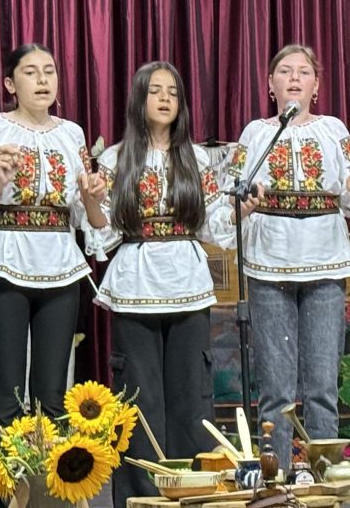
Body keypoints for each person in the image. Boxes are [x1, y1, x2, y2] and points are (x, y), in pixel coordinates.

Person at [95, 61, 239, 505]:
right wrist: (89, 200)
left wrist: (244, 211)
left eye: (173, 92)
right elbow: (101, 230)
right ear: (138, 99)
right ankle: (141, 498)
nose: (164, 99)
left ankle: (192, 493)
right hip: (135, 285)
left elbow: (215, 225)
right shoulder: (116, 158)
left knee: (190, 398)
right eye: (155, 91)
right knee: (138, 401)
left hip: (186, 283)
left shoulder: (196, 158)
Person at [228, 43, 350, 465]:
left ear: (316, 85)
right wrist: (242, 202)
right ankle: (277, 474)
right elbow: (232, 188)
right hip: (269, 263)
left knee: (322, 384)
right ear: (271, 85)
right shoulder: (256, 133)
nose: (294, 77)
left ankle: (325, 476)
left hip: (324, 261)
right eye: (285, 71)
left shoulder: (334, 129)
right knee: (276, 387)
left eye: (303, 71)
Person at [0, 43, 109, 441]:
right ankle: (5, 481)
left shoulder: (72, 133)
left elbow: (90, 216)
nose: (42, 80)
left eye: (49, 71)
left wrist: (92, 196)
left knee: (52, 395)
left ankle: (51, 479)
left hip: (60, 266)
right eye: (30, 72)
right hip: (3, 264)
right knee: (7, 395)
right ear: (9, 84)